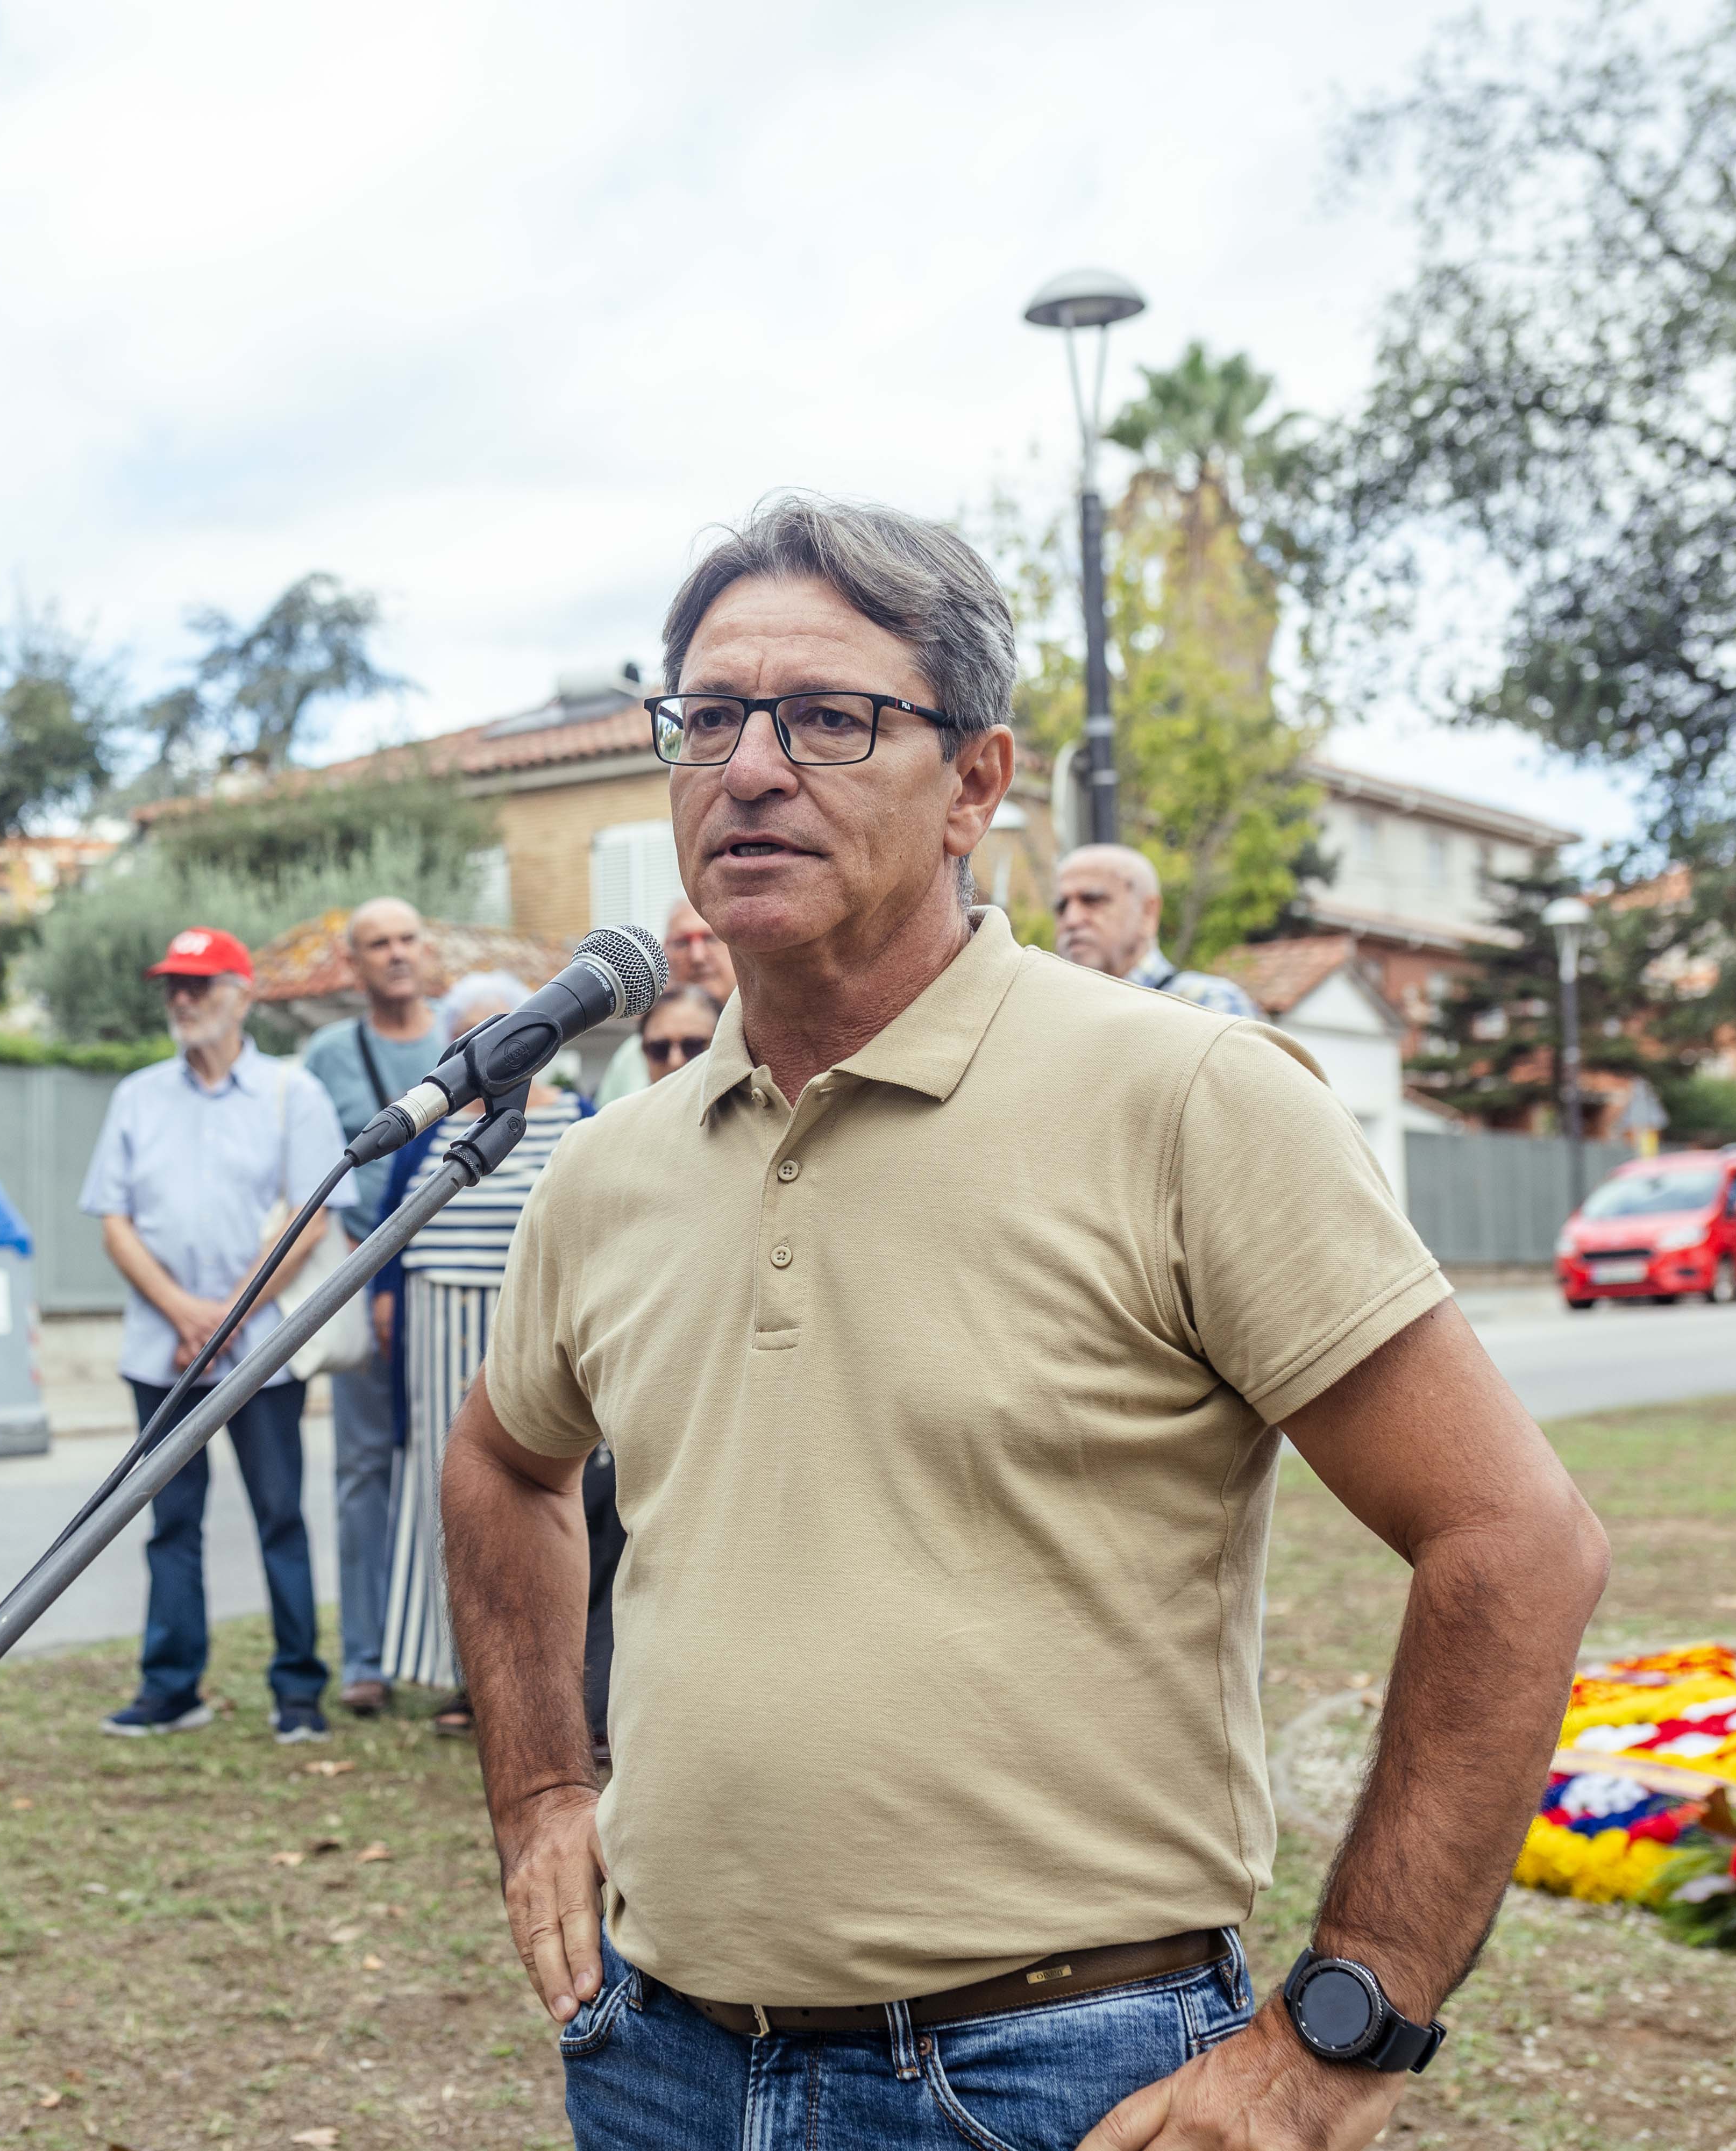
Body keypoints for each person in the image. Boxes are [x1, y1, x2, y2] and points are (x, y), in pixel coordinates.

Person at [442, 495, 1609, 2151]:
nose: (751, 766)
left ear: (975, 787)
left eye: (830, 718)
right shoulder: (610, 1166)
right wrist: (542, 1792)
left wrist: (1341, 2028)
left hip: (1054, 2081)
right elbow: (499, 1461)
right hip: (660, 2067)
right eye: (708, 717)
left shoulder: (1186, 1097)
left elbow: (1514, 1541)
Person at [79, 925, 341, 1744]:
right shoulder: (137, 1095)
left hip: (258, 1349)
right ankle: (170, 1686)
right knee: (169, 1522)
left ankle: (298, 1691)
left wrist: (227, 1314)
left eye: (198, 985)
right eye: (172, 986)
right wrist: (183, 1312)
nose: (182, 1001)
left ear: (242, 992)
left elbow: (312, 1216)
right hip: (164, 1348)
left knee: (279, 1516)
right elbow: (113, 1221)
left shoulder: (291, 1095)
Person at [365, 973, 585, 1741]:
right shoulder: (431, 1129)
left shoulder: (579, 1124)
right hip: (435, 1328)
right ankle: (464, 1674)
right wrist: (385, 1301)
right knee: (444, 1490)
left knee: (540, 1497)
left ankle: (555, 1676)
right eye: (473, 1032)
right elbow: (394, 1229)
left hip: (530, 1328)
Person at [297, 897, 447, 1719]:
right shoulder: (325, 1055)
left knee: (461, 1469)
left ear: (427, 952)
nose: (394, 955)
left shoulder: (462, 1033)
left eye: (405, 940)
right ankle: (364, 1657)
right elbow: (315, 1172)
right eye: (376, 945)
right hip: (362, 1285)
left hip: (451, 1289)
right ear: (353, 965)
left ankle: (449, 1653)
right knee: (361, 1472)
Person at [1052, 842, 1264, 1017]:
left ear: (1148, 913)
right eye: (1062, 907)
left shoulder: (1208, 1007)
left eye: (1092, 900)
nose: (1072, 920)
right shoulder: (1055, 1018)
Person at [593, 900, 739, 1104]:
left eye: (710, 938)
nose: (697, 956)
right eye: (682, 943)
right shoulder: (631, 1056)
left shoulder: (769, 1036)